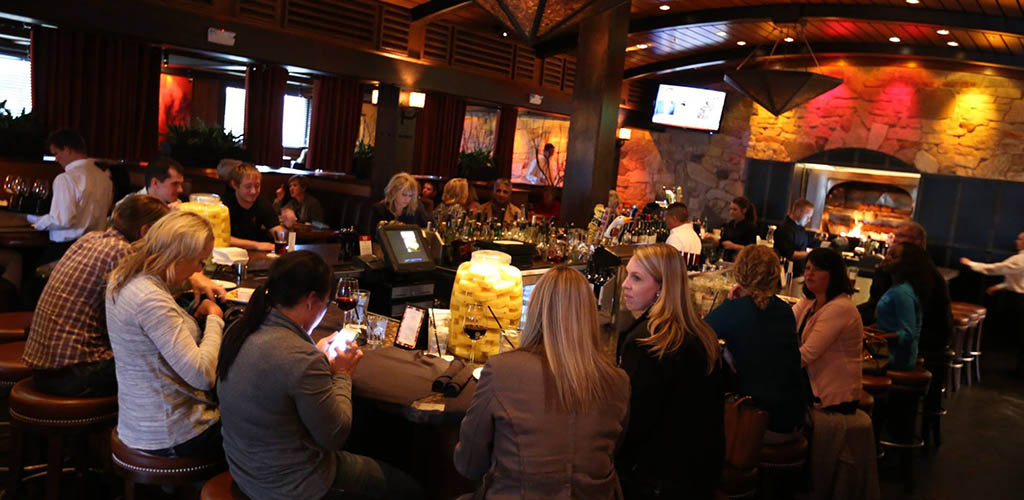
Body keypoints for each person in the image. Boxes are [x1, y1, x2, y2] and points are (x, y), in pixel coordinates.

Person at [217, 251, 422, 499]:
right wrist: (343, 373)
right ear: (311, 301)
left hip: (246, 472)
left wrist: (313, 352)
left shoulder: (239, 330)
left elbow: (279, 372)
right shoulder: (301, 359)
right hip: (292, 487)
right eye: (326, 305)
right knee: (408, 488)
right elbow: (335, 436)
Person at [455, 266, 630, 499]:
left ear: (535, 311)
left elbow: (469, 465)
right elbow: (611, 454)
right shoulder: (618, 381)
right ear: (589, 315)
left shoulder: (500, 371)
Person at [24, 196, 170, 397]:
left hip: (45, 367)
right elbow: (140, 315)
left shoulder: (91, 238)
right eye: (165, 234)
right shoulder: (122, 252)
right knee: (160, 367)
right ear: (145, 231)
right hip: (73, 374)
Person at [106, 211, 224, 457]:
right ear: (178, 256)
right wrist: (215, 318)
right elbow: (202, 375)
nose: (199, 269)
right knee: (267, 429)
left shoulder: (124, 276)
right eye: (199, 261)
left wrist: (190, 286)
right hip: (172, 433)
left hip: (140, 422)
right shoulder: (150, 299)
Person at [617, 244, 724, 498]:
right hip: (700, 476)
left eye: (636, 278)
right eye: (628, 275)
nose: (625, 285)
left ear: (662, 288)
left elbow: (633, 421)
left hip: (656, 480)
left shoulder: (648, 342)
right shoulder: (702, 334)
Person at [705, 245, 808, 439]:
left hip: (758, 425)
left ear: (739, 272)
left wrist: (728, 303)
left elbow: (696, 334)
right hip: (793, 419)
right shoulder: (785, 310)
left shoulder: (734, 309)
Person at [859, 222, 952, 408]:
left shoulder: (908, 287)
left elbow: (908, 332)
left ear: (917, 244)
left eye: (901, 238)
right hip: (910, 344)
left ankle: (862, 409)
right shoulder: (903, 280)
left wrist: (875, 335)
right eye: (895, 237)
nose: (894, 242)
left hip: (925, 343)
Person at [793, 248, 863, 413]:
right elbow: (783, 324)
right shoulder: (810, 301)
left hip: (832, 395)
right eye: (807, 268)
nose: (809, 274)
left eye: (818, 269)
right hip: (810, 382)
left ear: (834, 275)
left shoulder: (840, 308)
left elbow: (806, 355)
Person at [28, 129, 114, 262]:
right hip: (95, 249)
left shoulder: (66, 179)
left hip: (66, 251)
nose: (56, 159)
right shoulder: (104, 179)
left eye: (56, 153)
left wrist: (35, 222)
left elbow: (62, 220)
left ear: (67, 150)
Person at [960, 231, 1024, 375]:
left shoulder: (1020, 258)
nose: (1016, 241)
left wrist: (971, 264)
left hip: (1019, 300)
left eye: (1020, 239)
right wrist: (1000, 286)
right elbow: (1018, 277)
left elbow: (996, 268)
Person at [876, 243, 929, 371]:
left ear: (907, 264)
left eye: (893, 256)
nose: (887, 258)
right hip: (887, 352)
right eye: (888, 253)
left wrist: (877, 339)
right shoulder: (897, 287)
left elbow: (907, 334)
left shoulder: (902, 292)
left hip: (897, 357)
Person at [225, 164, 284, 251]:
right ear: (234, 185)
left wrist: (286, 228)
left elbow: (276, 229)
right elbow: (223, 239)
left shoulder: (263, 204)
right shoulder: (224, 206)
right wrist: (257, 245)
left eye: (257, 186)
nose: (253, 191)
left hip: (255, 255)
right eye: (248, 187)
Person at [117, 157, 185, 208]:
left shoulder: (176, 204)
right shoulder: (128, 206)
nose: (180, 190)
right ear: (155, 183)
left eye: (181, 184)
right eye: (175, 184)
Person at [774, 199, 815, 277]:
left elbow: (810, 241)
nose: (809, 220)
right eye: (808, 216)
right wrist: (810, 253)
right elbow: (789, 254)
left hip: (800, 272)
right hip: (788, 274)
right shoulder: (784, 229)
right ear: (798, 212)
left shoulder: (800, 228)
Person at [717, 196, 758, 262]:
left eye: (735, 209)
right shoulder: (730, 224)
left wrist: (734, 246)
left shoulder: (750, 227)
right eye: (730, 209)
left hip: (741, 260)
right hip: (727, 258)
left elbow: (752, 249)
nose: (731, 212)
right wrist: (713, 240)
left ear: (744, 210)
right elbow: (723, 241)